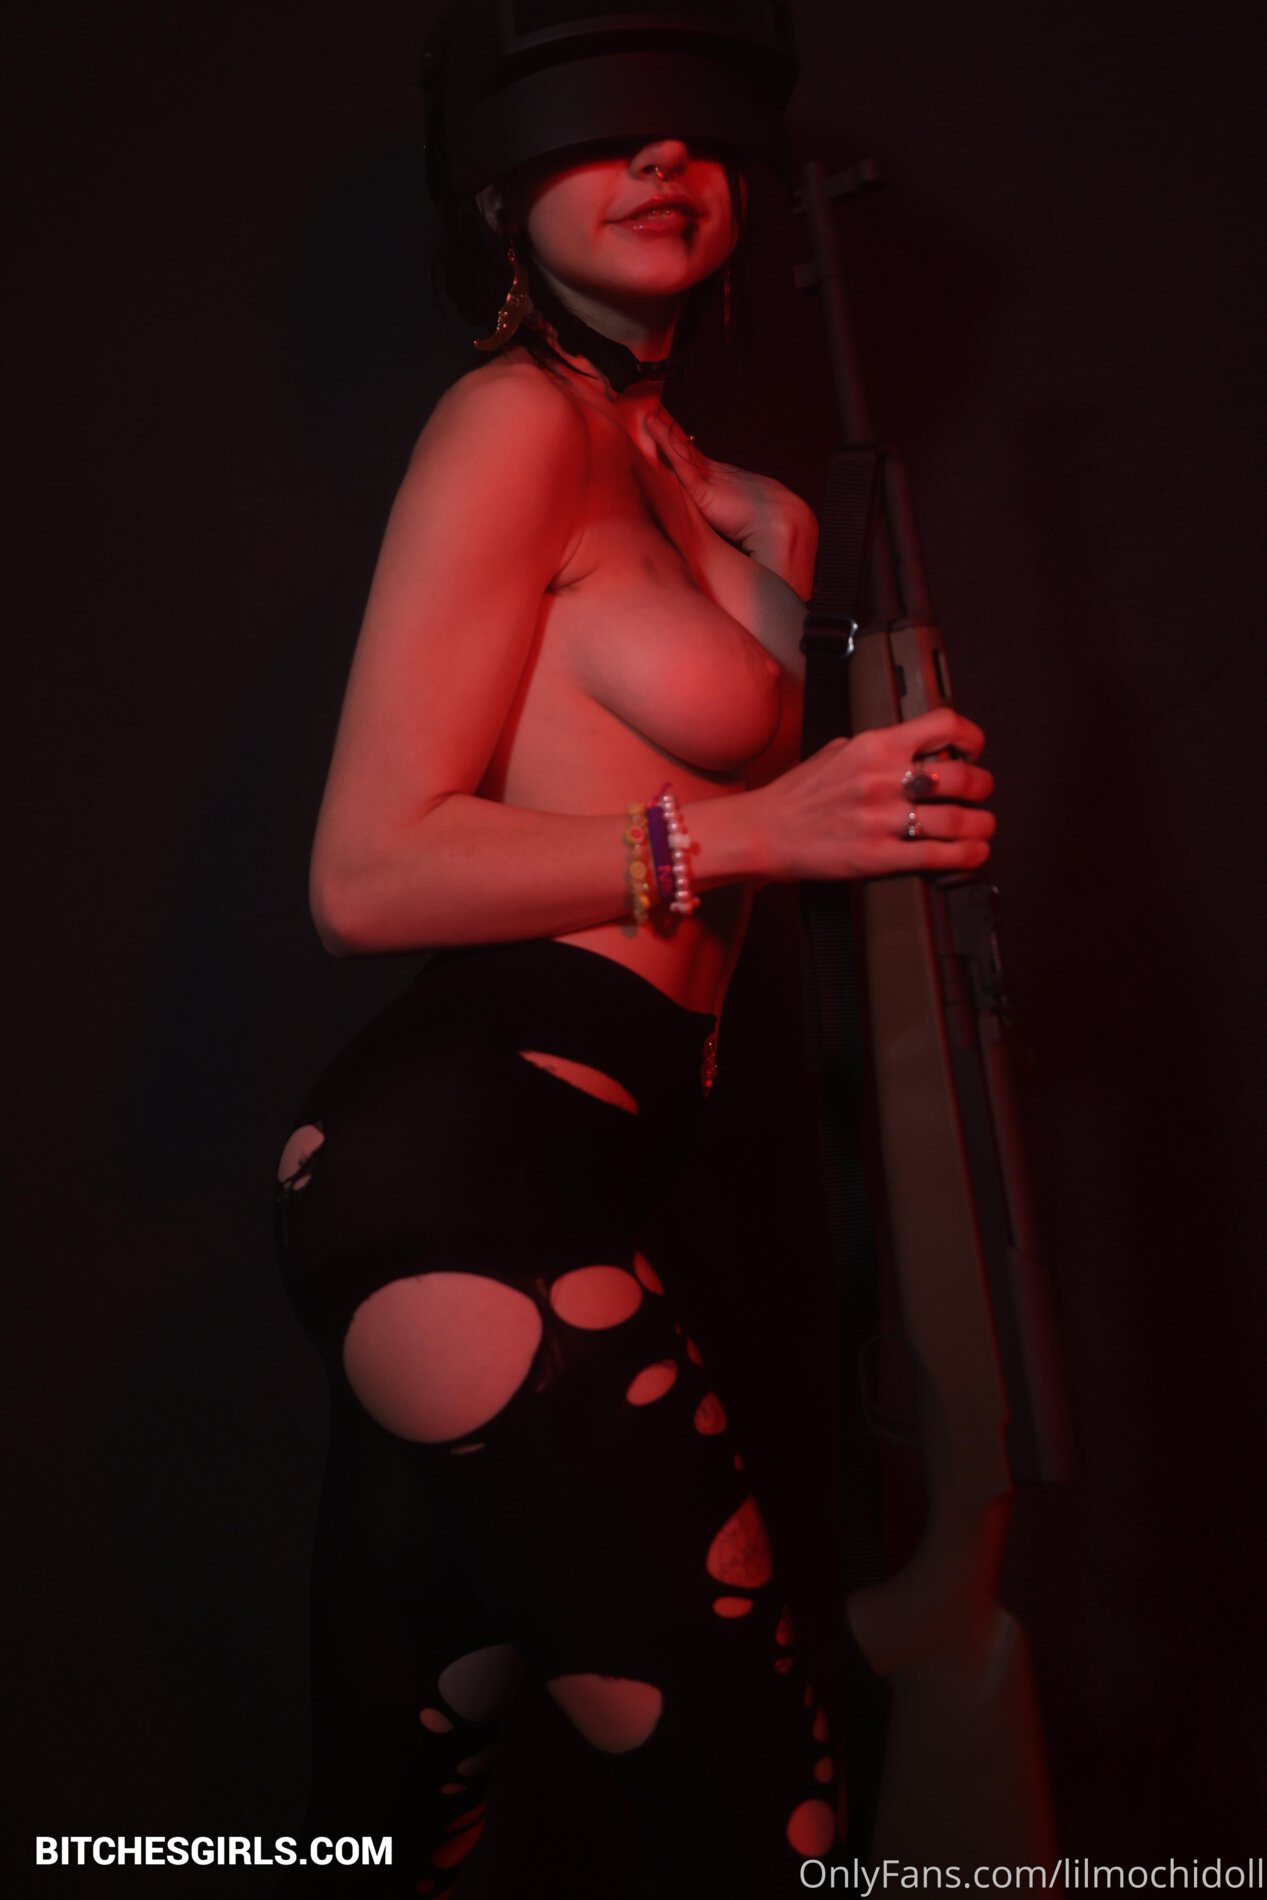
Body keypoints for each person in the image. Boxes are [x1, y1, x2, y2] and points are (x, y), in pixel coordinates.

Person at [273, 4, 995, 1894]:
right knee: (771, 1823)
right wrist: (765, 827)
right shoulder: (514, 423)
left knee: (385, 1824)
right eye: (603, 129)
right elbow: (365, 873)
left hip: (584, 1174)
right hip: (463, 1178)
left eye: (692, 128)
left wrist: (887, 807)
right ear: (498, 192)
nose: (663, 157)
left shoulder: (743, 506)